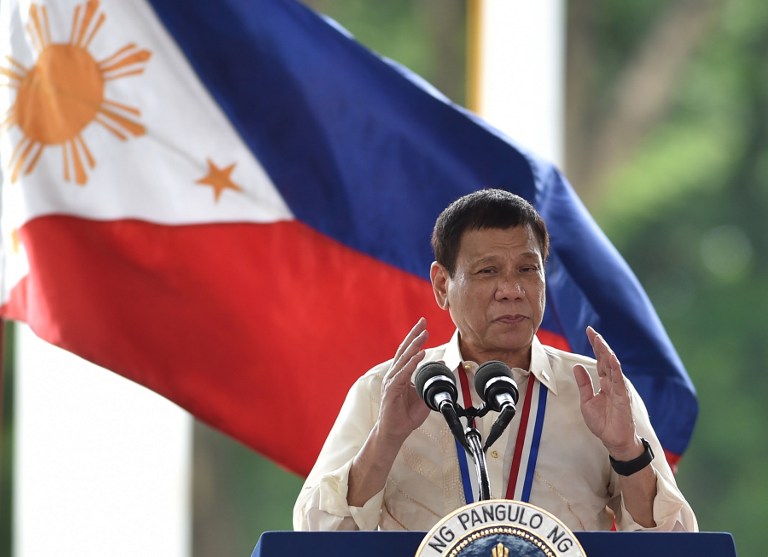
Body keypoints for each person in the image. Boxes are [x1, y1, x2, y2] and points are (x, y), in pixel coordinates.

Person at [293, 188, 697, 532]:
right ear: (441, 285)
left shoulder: (596, 390)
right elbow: (315, 532)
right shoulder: (387, 390)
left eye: (527, 269)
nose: (511, 289)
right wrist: (386, 441)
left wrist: (627, 451)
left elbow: (676, 540)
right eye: (488, 271)